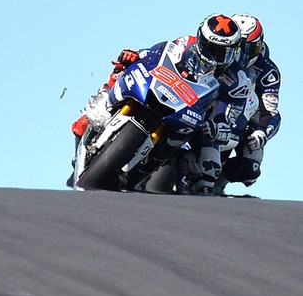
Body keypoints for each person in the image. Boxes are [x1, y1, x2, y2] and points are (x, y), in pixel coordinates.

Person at [68, 14, 242, 189]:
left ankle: (163, 180)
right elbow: (156, 54)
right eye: (210, 47)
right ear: (200, 40)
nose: (216, 55)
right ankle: (84, 141)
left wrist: (218, 128)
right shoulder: (184, 44)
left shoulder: (233, 79)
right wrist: (134, 56)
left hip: (195, 118)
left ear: (234, 51)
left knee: (206, 168)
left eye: (223, 51)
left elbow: (230, 117)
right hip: (163, 93)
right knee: (110, 88)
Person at [211, 13, 281, 192]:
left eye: (249, 48)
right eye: (238, 46)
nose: (241, 53)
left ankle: (219, 183)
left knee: (250, 169)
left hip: (243, 119)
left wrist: (261, 132)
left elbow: (271, 112)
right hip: (210, 103)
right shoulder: (216, 52)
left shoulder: (268, 72)